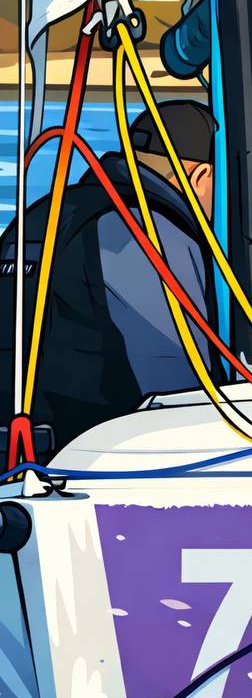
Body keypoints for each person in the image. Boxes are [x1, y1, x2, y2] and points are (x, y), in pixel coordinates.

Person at [0, 101, 220, 449]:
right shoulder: (147, 231)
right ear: (202, 177)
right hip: (96, 459)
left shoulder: (42, 214)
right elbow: (178, 393)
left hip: (19, 451)